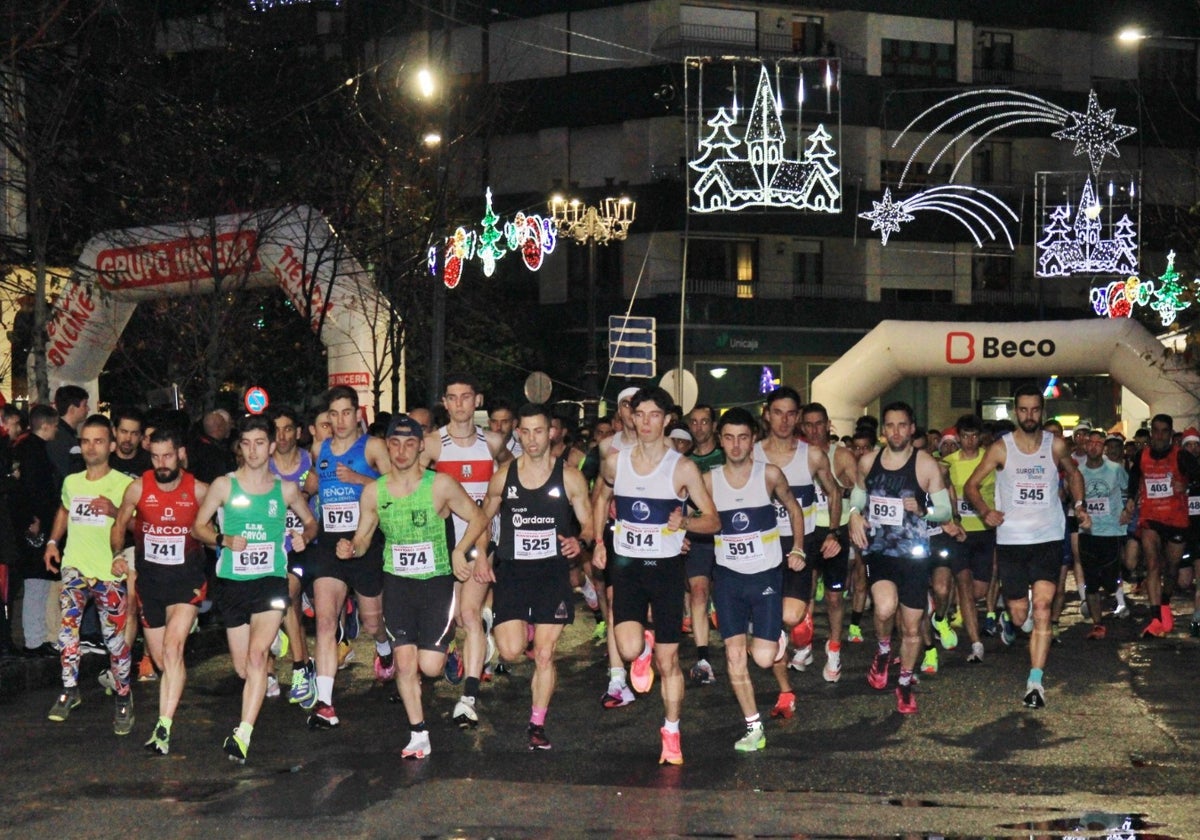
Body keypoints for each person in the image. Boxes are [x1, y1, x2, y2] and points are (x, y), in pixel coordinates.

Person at [335, 415, 490, 759]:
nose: (402, 451)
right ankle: (418, 733)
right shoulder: (375, 492)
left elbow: (478, 517)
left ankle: (447, 651)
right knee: (405, 664)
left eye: (409, 444)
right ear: (388, 447)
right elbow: (363, 537)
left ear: (421, 447)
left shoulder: (440, 485)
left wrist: (459, 551)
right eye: (395, 443)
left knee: (431, 667)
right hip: (399, 584)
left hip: (436, 585)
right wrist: (351, 547)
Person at [591, 387, 720, 765]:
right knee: (629, 649)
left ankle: (672, 731)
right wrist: (599, 540)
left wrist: (687, 522)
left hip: (665, 571)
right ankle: (641, 649)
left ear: (667, 421)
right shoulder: (616, 462)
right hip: (628, 567)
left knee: (669, 663)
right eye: (640, 414)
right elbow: (601, 498)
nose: (645, 422)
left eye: (654, 416)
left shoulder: (681, 467)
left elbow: (714, 520)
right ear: (631, 417)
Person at [192, 414, 317, 763]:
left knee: (257, 657)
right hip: (233, 584)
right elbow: (197, 527)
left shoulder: (286, 490)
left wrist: (303, 537)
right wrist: (223, 538)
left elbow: (311, 522)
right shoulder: (223, 485)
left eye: (260, 443)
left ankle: (243, 733)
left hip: (270, 582)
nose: (253, 451)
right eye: (246, 444)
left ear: (272, 446)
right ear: (240, 447)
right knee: (244, 669)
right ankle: (278, 639)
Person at [964, 385, 1089, 709]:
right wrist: (984, 511)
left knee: (1044, 608)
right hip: (1012, 542)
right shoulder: (1001, 448)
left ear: (1041, 411)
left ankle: (1035, 682)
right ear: (1015, 411)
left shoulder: (1055, 445)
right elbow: (971, 486)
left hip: (1047, 537)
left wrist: (1080, 504)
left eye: (1035, 410)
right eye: (1023, 410)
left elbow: (1074, 474)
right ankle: (1018, 620)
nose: (1029, 415)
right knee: (1021, 617)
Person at [481, 403, 594, 750]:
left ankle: (537, 724)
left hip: (551, 574)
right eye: (525, 432)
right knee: (512, 651)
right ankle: (524, 628)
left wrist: (581, 541)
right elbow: (484, 518)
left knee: (545, 655)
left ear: (552, 433)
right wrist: (480, 555)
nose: (532, 439)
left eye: (539, 431)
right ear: (518, 433)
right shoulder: (504, 475)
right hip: (513, 572)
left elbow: (589, 523)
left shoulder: (570, 476)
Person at [705, 408, 805, 751]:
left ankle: (775, 632)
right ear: (720, 440)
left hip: (765, 575)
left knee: (763, 658)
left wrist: (800, 548)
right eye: (729, 438)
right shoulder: (709, 480)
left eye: (743, 437)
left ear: (753, 440)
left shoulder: (769, 475)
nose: (736, 445)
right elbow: (691, 514)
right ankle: (753, 727)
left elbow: (793, 507)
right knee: (734, 655)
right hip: (729, 577)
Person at [419, 374, 512, 728]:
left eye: (466, 397)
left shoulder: (492, 442)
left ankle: (469, 698)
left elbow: (510, 474)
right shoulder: (432, 445)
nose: (459, 404)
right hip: (441, 547)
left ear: (478, 401)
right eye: (453, 398)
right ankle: (462, 651)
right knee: (455, 618)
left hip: (480, 543)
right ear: (445, 402)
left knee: (470, 615)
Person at [848, 402, 952, 714]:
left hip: (914, 556)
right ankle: (882, 649)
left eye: (902, 425)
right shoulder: (868, 461)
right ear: (883, 432)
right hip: (880, 551)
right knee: (883, 607)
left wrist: (924, 510)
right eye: (890, 425)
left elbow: (946, 511)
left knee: (911, 627)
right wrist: (854, 514)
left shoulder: (926, 465)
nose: (896, 431)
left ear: (911, 428)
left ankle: (904, 682)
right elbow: (857, 495)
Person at [110, 427, 209, 755]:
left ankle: (163, 726)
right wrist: (116, 556)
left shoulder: (200, 490)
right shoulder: (138, 488)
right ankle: (174, 685)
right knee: (164, 659)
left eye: (168, 455)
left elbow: (223, 523)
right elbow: (119, 523)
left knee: (171, 648)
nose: (162, 462)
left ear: (180, 454)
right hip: (150, 585)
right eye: (155, 456)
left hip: (187, 582)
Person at [305, 386, 393, 728]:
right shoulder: (320, 449)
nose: (340, 420)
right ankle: (324, 702)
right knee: (326, 622)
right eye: (333, 414)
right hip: (330, 545)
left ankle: (384, 650)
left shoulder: (372, 446)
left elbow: (393, 488)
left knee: (373, 623)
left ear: (358, 414)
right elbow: (316, 485)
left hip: (367, 542)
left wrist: (359, 478)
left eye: (346, 412)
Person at [43, 415, 135, 733]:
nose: (91, 447)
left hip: (109, 572)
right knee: (68, 634)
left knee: (115, 640)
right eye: (85, 441)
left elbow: (142, 525)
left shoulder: (125, 485)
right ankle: (69, 690)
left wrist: (115, 511)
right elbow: (65, 510)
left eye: (98, 441)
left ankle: (123, 696)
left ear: (111, 445)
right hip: (75, 568)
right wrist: (53, 542)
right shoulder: (73, 482)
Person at [752, 387, 839, 718]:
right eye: (778, 412)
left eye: (791, 413)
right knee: (771, 626)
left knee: (788, 617)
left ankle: (800, 627)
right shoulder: (753, 453)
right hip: (762, 548)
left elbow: (833, 492)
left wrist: (832, 532)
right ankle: (785, 691)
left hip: (801, 546)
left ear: (798, 416)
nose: (785, 420)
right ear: (767, 414)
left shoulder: (813, 455)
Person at [1123, 414, 1200, 637]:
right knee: (1153, 563)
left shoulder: (1182, 456)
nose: (1158, 435)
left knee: (1172, 569)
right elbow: (1134, 477)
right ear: (1151, 433)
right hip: (1150, 518)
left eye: (1164, 431)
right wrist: (1130, 499)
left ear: (1169, 433)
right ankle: (1156, 617)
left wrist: (1184, 485)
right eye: (1155, 430)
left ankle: (1165, 602)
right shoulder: (1142, 456)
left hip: (1176, 520)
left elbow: (1197, 477)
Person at [798, 402, 852, 682]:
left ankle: (834, 649)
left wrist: (848, 503)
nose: (814, 429)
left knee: (833, 597)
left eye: (819, 423)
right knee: (802, 593)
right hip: (806, 531)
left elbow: (860, 492)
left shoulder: (841, 455)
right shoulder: (797, 454)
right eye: (808, 424)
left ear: (828, 424)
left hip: (835, 532)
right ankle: (804, 644)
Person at [268, 406, 318, 709]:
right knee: (285, 607)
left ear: (298, 432)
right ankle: (272, 671)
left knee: (283, 596)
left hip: (303, 546)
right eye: (276, 430)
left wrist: (310, 496)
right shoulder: (262, 465)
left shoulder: (311, 463)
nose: (282, 436)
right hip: (270, 550)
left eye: (288, 429)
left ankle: (300, 668)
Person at [940, 414, 993, 663]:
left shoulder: (991, 460)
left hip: (985, 531)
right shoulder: (947, 463)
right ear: (958, 437)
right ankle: (976, 643)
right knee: (963, 584)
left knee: (978, 591)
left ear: (979, 437)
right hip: (959, 533)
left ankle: (965, 618)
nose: (970, 441)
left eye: (974, 436)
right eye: (965, 436)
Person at [10, 405, 62, 657]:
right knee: (36, 582)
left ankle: (37, 638)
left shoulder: (26, 448)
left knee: (38, 582)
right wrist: (36, 518)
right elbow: (34, 489)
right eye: (54, 425)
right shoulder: (34, 451)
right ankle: (34, 640)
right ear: (45, 425)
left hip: (34, 523)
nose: (56, 430)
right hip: (36, 525)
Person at [683, 404, 724, 686]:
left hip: (729, 535)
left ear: (713, 425)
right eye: (694, 422)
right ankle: (703, 658)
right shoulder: (682, 462)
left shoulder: (728, 455)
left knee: (728, 596)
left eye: (704, 422)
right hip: (697, 537)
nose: (699, 427)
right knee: (698, 591)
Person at [1077, 429, 1130, 639]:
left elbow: (1130, 490)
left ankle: (1114, 584)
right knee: (1091, 581)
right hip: (1088, 532)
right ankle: (1098, 624)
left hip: (1112, 532)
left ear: (1104, 447)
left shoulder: (1115, 469)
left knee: (1108, 583)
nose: (1094, 446)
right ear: (1084, 445)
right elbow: (1068, 494)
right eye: (1090, 443)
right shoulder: (1078, 471)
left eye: (1099, 443)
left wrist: (1128, 510)